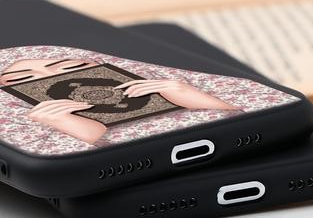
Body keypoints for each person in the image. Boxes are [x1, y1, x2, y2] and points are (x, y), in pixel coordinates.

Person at [0, 57, 238, 144]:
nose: (53, 80)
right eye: (19, 80)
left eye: (72, 67)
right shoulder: (20, 122)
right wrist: (83, 132)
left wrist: (209, 102)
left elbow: (251, 114)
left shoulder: (175, 82)